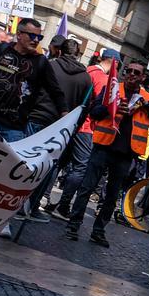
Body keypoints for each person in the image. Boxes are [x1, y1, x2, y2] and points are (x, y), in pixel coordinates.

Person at [63, 59, 149, 247]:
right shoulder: (113, 90)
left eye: (136, 72)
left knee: (112, 196)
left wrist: (147, 107)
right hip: (103, 147)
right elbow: (95, 112)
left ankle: (99, 231)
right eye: (129, 71)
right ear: (124, 73)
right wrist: (112, 105)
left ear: (143, 77)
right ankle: (73, 226)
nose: (132, 74)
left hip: (126, 154)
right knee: (87, 188)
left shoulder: (148, 99)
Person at [17, 37, 93, 224]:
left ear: (59, 51)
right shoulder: (86, 78)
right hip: (62, 126)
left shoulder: (50, 65)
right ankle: (33, 205)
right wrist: (73, 128)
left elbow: (32, 90)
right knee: (48, 167)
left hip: (37, 118)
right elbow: (84, 108)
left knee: (27, 161)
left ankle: (16, 202)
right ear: (78, 54)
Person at [46, 48, 117, 220]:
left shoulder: (88, 70)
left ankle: (43, 196)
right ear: (114, 63)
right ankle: (63, 206)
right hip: (87, 128)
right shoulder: (102, 78)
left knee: (59, 162)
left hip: (73, 123)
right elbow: (101, 106)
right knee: (80, 167)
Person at [0, 17, 65, 143]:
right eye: (32, 36)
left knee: (7, 162)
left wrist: (65, 114)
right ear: (19, 34)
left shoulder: (40, 62)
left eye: (39, 37)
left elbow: (55, 91)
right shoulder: (1, 49)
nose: (35, 40)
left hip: (12, 128)